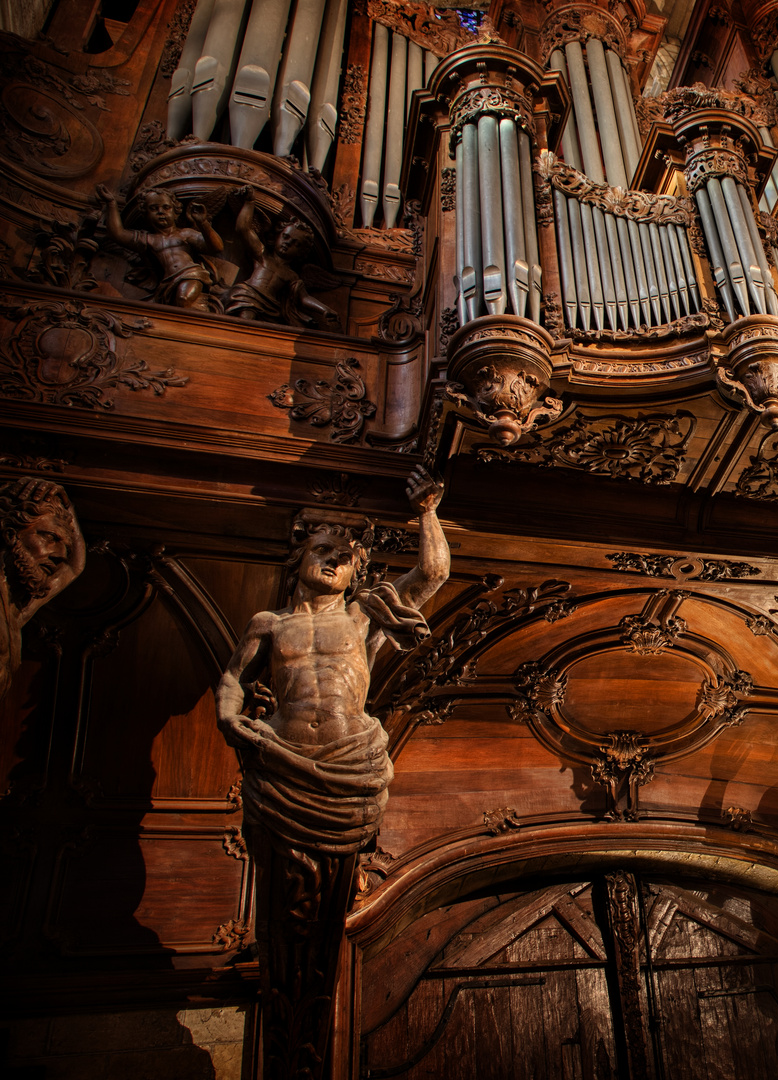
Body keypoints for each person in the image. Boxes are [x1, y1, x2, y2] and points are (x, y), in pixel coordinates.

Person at [214, 465, 447, 1078]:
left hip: (351, 761)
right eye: (322, 550)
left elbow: (433, 574)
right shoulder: (271, 625)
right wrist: (229, 719)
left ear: (357, 569)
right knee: (290, 895)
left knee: (326, 894)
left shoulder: (365, 617)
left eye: (345, 556)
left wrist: (426, 511)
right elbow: (234, 679)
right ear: (299, 559)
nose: (334, 561)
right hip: (286, 762)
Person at [0, 479, 85, 700]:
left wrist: (69, 507)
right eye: (49, 537)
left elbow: (73, 567)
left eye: (65, 545)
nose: (60, 554)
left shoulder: (14, 611)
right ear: (10, 534)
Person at [223, 187, 338, 327]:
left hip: (271, 307)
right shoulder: (263, 254)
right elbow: (243, 228)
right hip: (249, 295)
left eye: (295, 243)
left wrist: (325, 309)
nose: (288, 242)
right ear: (277, 235)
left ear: (301, 252)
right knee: (246, 322)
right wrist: (249, 202)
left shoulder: (292, 276)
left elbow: (304, 298)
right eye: (286, 236)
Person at [96, 184, 222, 309]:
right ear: (146, 213)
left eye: (166, 207)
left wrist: (203, 223)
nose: (160, 212)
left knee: (183, 299)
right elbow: (117, 233)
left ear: (175, 211)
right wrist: (111, 203)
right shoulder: (148, 239)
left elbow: (216, 247)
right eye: (154, 208)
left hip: (191, 273)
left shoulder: (186, 233)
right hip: (167, 281)